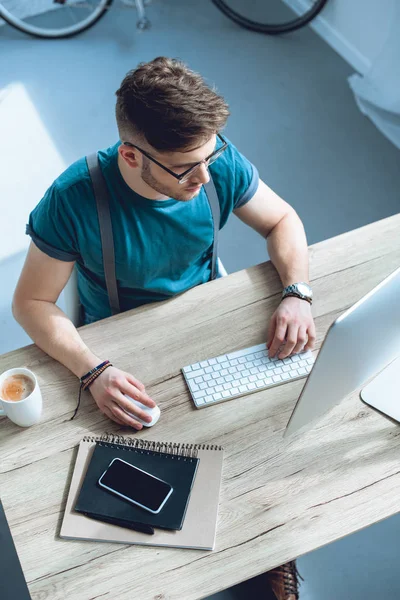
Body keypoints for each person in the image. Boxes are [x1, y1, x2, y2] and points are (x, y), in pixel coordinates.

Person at [13, 57, 314, 600]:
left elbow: (281, 219)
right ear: (132, 155)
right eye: (185, 169)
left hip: (208, 311)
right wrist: (93, 370)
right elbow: (32, 303)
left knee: (269, 437)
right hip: (121, 338)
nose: (204, 179)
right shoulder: (74, 199)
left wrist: (296, 291)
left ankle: (270, 553)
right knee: (145, 478)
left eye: (210, 157)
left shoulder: (211, 158)